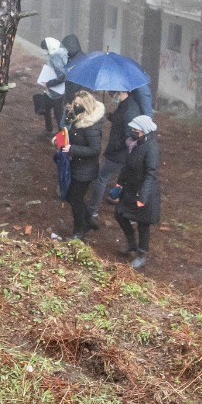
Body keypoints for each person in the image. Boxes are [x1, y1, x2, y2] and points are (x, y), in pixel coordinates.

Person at [114, 114, 161, 269]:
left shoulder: (151, 148)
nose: (132, 131)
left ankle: (141, 255)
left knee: (143, 224)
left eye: (136, 129)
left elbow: (150, 174)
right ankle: (131, 244)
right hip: (130, 188)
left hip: (144, 192)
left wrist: (143, 197)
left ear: (144, 131)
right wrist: (119, 184)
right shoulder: (136, 144)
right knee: (119, 214)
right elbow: (127, 166)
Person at [88, 90, 137, 228]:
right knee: (123, 180)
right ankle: (129, 214)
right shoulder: (125, 105)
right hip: (120, 153)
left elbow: (129, 134)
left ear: (121, 91)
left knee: (102, 178)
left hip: (119, 154)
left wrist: (116, 146)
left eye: (113, 92)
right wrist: (110, 116)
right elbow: (120, 121)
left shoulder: (129, 109)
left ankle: (92, 211)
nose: (112, 95)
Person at [62, 91, 104, 239]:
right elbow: (70, 135)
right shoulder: (78, 119)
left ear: (86, 105)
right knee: (70, 196)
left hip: (86, 170)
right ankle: (88, 220)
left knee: (75, 199)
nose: (76, 106)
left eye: (79, 104)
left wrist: (72, 149)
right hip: (77, 166)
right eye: (75, 103)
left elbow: (95, 150)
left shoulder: (91, 126)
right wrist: (60, 139)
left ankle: (79, 231)